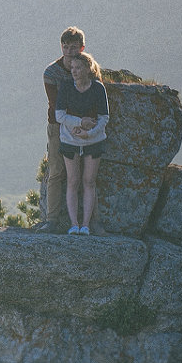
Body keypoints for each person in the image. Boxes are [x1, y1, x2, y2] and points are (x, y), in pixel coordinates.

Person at [55, 51, 109, 235]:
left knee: (89, 181)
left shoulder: (98, 88)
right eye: (72, 68)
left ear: (88, 69)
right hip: (70, 140)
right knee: (73, 181)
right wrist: (80, 123)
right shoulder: (66, 87)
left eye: (78, 67)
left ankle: (86, 224)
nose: (74, 71)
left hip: (93, 140)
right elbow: (59, 115)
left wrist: (90, 133)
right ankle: (74, 224)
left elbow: (104, 117)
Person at [38, 27, 86, 232]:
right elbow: (57, 103)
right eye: (65, 47)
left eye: (73, 48)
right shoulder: (51, 72)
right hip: (58, 126)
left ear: (82, 48)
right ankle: (52, 219)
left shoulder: (89, 69)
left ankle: (88, 221)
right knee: (56, 172)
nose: (68, 52)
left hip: (83, 126)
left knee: (86, 175)